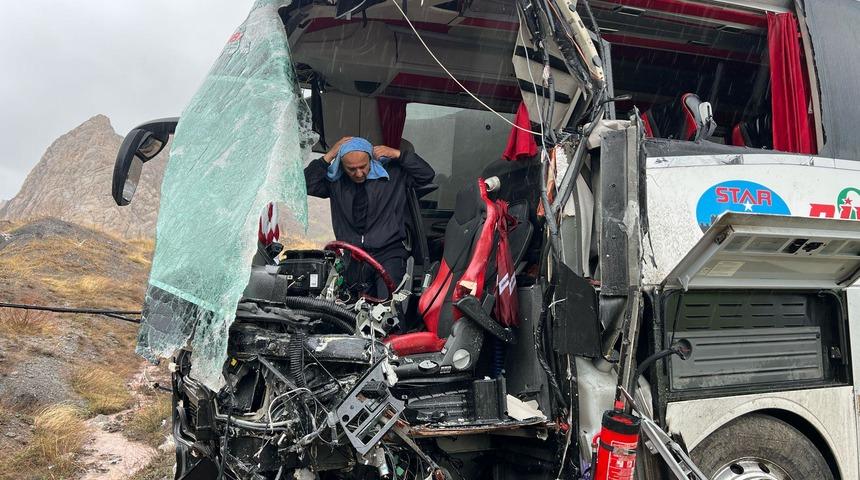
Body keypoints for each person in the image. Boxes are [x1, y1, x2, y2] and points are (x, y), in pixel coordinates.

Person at [305, 136, 435, 298]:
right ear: (342, 166)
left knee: (388, 307)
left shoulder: (392, 174)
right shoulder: (336, 182)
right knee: (352, 308)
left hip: (389, 253)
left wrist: (397, 154)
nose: (358, 173)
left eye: (363, 166)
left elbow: (427, 174)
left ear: (371, 161)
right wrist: (329, 155)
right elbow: (307, 184)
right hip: (353, 257)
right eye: (351, 169)